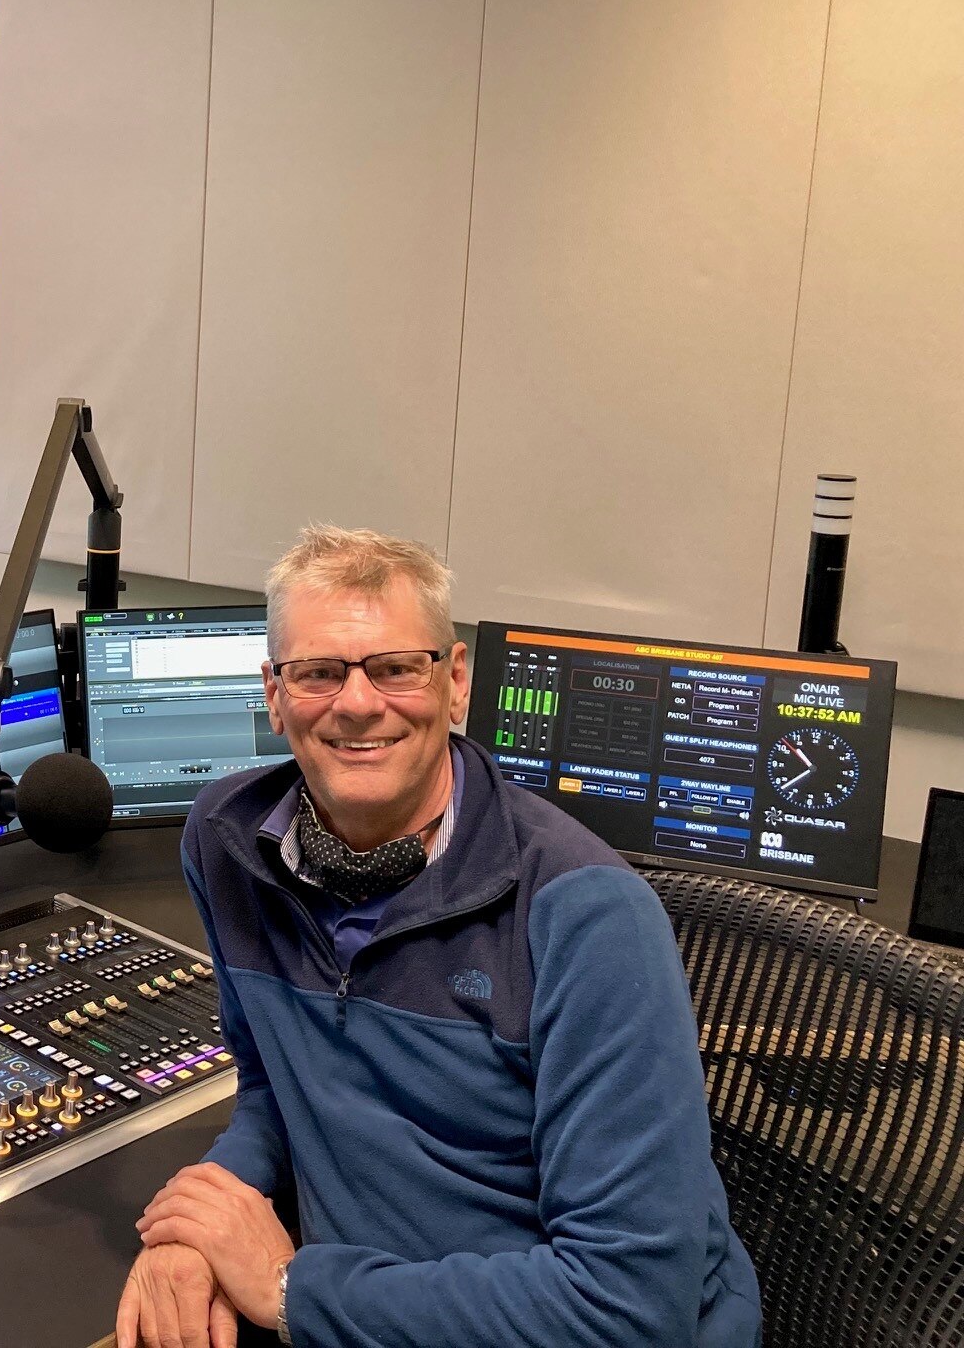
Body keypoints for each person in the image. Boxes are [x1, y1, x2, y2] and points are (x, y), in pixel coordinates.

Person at [115, 525, 760, 1348]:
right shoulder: (229, 842)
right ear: (273, 695)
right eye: (318, 672)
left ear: (454, 683)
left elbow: (627, 1308)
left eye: (394, 667)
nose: (356, 703)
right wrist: (208, 1214)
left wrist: (291, 1289)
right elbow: (280, 1086)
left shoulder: (588, 915)